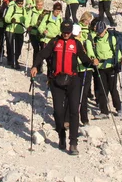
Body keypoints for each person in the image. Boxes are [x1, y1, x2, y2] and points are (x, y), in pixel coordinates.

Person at [30, 21, 99, 155]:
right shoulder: (55, 42)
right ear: (61, 30)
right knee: (58, 111)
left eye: (68, 32)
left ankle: (73, 143)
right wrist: (35, 66)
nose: (66, 34)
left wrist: (92, 62)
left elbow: (83, 58)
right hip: (56, 80)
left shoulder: (76, 43)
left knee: (74, 111)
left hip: (73, 81)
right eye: (64, 32)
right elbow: (41, 54)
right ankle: (61, 135)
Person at [92, 21, 122, 118]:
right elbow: (93, 52)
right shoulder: (95, 40)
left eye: (101, 31)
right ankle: (104, 111)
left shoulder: (111, 38)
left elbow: (116, 50)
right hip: (101, 67)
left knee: (112, 88)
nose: (100, 33)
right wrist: (94, 59)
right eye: (98, 32)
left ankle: (118, 108)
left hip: (111, 67)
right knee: (102, 89)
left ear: (105, 30)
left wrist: (120, 59)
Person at [77, 12, 96, 125]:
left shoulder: (89, 32)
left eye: (89, 20)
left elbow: (90, 47)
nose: (88, 22)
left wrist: (92, 58)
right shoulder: (78, 28)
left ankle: (84, 118)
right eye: (87, 20)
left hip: (87, 65)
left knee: (84, 93)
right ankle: (78, 117)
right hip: (79, 65)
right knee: (78, 93)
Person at [5, 0, 29, 69]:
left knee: (19, 47)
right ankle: (13, 61)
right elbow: (7, 17)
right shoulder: (12, 8)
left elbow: (26, 19)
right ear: (16, 2)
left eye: (22, 3)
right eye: (19, 3)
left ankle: (15, 59)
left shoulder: (23, 10)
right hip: (11, 29)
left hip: (20, 30)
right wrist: (11, 20)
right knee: (12, 46)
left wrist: (28, 26)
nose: (20, 5)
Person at [27, 0, 45, 73]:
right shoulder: (32, 11)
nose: (40, 6)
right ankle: (35, 65)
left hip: (41, 34)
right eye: (38, 5)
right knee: (36, 49)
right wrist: (28, 26)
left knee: (41, 50)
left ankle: (39, 66)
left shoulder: (45, 13)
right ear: (36, 4)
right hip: (33, 33)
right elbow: (27, 20)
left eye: (41, 5)